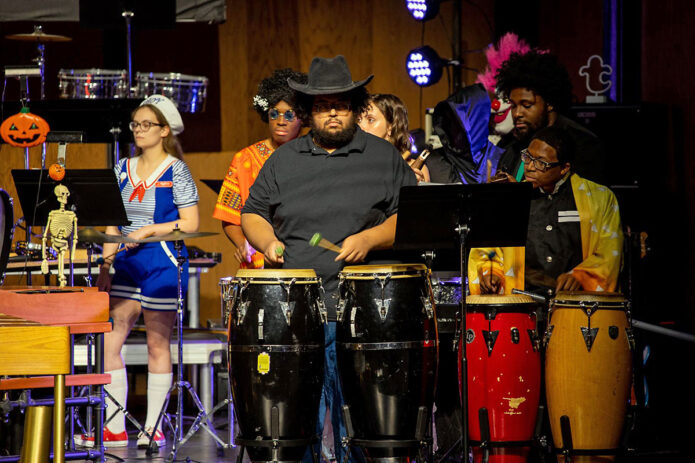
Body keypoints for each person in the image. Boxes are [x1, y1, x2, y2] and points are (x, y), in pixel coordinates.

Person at [241, 55, 417, 463]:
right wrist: (267, 242)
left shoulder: (382, 157)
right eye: (322, 106)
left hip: (366, 310)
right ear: (309, 112)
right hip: (294, 311)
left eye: (340, 104)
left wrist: (371, 238)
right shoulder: (284, 160)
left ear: (354, 107)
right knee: (297, 416)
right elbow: (252, 211)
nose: (332, 113)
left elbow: (410, 215)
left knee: (357, 417)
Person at [76, 95, 199, 448]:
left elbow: (191, 223)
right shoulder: (121, 168)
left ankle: (153, 428)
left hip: (162, 261)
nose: (139, 130)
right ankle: (114, 427)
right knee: (110, 343)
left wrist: (148, 230)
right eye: (136, 124)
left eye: (147, 124)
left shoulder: (177, 170)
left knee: (157, 344)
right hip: (126, 265)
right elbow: (113, 223)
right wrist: (105, 263)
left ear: (164, 130)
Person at [469, 126, 623, 295]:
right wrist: (491, 272)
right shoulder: (513, 197)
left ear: (564, 168)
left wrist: (580, 277)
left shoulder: (599, 198)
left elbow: (608, 254)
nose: (529, 167)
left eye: (541, 163)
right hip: (523, 303)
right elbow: (488, 248)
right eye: (527, 157)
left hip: (574, 306)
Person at [213, 69, 307, 268]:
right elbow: (230, 215)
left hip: (303, 258)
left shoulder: (312, 155)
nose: (281, 121)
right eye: (275, 113)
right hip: (258, 265)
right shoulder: (244, 159)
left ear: (303, 118)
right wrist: (242, 243)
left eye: (289, 115)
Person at [494, 51, 607, 184]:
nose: (517, 113)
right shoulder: (511, 146)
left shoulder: (582, 145)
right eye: (513, 105)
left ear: (550, 103)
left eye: (527, 105)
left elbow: (586, 200)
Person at [359, 93, 430, 182]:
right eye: (359, 120)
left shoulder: (414, 167)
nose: (361, 126)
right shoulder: (352, 162)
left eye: (370, 120)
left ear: (391, 127)